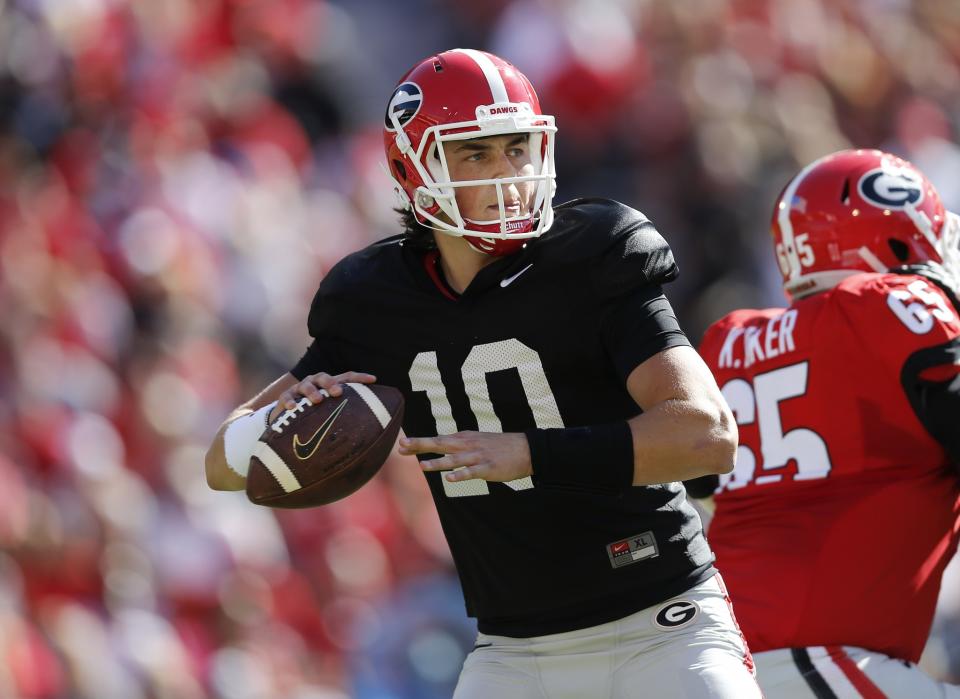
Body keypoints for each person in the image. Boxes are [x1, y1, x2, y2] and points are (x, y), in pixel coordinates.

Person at [205, 48, 762, 698]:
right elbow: (224, 462)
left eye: (519, 148)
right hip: (515, 652)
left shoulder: (592, 254)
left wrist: (529, 453)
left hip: (662, 622)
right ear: (413, 169)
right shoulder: (376, 300)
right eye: (477, 154)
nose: (511, 174)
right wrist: (296, 409)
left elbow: (707, 433)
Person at [691, 149, 960, 697]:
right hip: (817, 661)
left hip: (711, 661)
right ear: (900, 237)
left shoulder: (729, 339)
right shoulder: (890, 308)